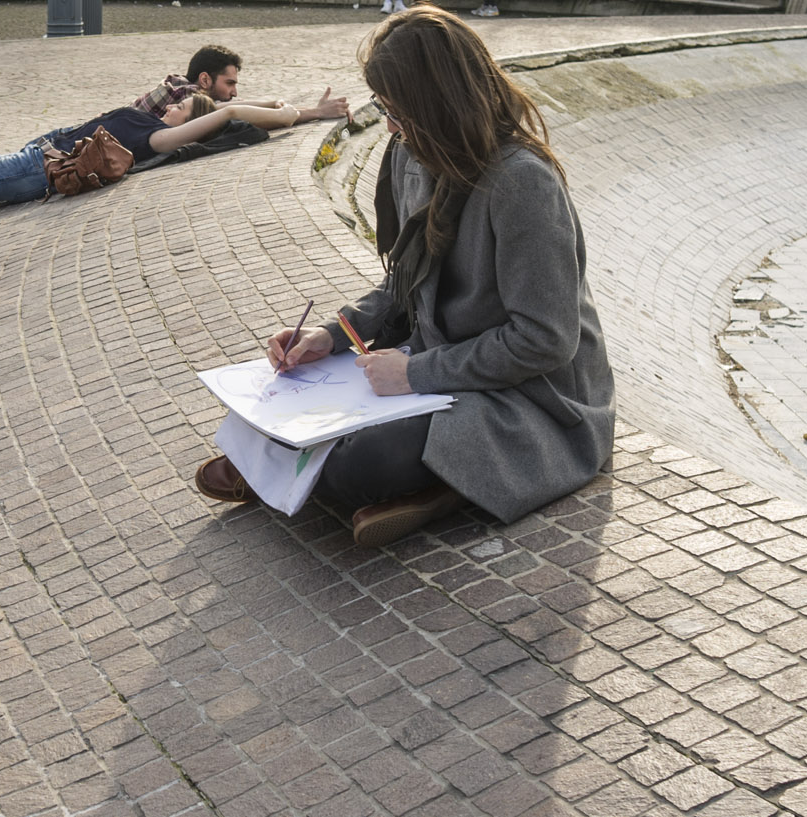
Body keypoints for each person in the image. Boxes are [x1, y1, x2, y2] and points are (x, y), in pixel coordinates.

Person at [192, 6, 615, 548]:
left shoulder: (523, 185)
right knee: (285, 392)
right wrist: (333, 333)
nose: (388, 125)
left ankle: (441, 485)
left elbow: (546, 340)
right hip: (443, 356)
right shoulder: (411, 155)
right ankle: (406, 474)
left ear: (440, 102)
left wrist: (415, 373)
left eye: (397, 109)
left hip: (534, 395)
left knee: (363, 463)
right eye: (383, 108)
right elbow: (407, 285)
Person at [0, 45, 342, 182]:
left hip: (73, 136)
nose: (232, 94)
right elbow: (232, 114)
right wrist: (310, 112)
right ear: (203, 82)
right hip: (70, 143)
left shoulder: (181, 93)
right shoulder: (182, 96)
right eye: (228, 84)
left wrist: (283, 104)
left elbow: (241, 108)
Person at [0, 91, 343, 221]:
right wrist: (295, 105)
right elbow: (251, 102)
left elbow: (227, 114)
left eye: (182, 103)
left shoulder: (157, 139)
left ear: (189, 118)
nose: (171, 98)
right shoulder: (151, 120)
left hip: (41, 172)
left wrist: (310, 118)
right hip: (39, 153)